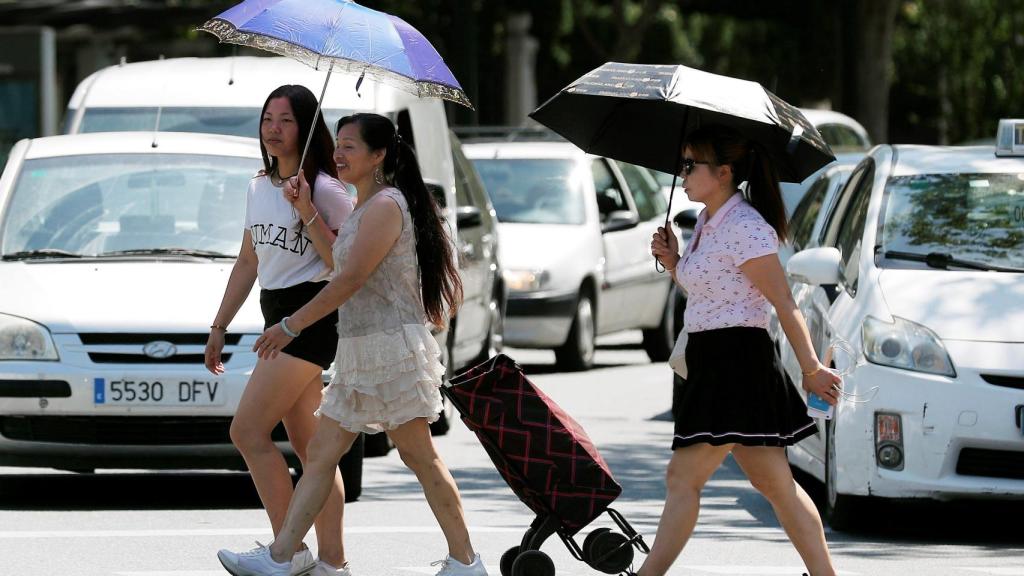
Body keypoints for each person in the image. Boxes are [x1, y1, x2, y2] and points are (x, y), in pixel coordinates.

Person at [216, 112, 488, 576]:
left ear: (379, 155)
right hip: (360, 349)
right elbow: (339, 259)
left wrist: (291, 326)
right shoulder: (365, 204)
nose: (339, 154)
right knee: (321, 455)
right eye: (337, 144)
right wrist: (306, 212)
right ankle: (290, 556)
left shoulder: (386, 206)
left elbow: (348, 281)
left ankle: (466, 560)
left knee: (418, 456)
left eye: (351, 147)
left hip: (390, 350)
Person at [644, 124, 841, 576]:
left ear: (725, 172)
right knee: (774, 483)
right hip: (714, 359)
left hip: (735, 363)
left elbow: (783, 302)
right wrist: (675, 262)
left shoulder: (746, 227)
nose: (684, 172)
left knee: (683, 478)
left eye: (692, 165)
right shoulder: (710, 223)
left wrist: (810, 368)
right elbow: (712, 292)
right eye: (684, 164)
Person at [206, 85, 354, 576]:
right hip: (276, 316)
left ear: (307, 125)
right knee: (315, 452)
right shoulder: (258, 186)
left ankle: (286, 550)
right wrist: (219, 325)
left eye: (286, 120)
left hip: (310, 318)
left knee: (247, 431)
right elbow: (249, 260)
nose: (273, 128)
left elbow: (348, 267)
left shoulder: (330, 190)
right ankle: (333, 562)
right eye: (267, 118)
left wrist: (307, 209)